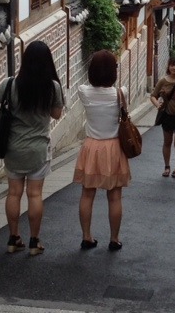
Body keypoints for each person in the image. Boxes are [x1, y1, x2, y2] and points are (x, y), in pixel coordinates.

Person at [0, 40, 64, 256]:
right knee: (35, 195)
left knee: (14, 193)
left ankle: (13, 238)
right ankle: (34, 241)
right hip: (38, 149)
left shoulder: (11, 84)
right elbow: (57, 114)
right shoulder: (52, 87)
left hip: (13, 148)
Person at [73, 50, 131, 252]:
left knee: (87, 194)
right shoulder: (120, 92)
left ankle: (86, 237)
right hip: (113, 146)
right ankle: (114, 239)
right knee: (115, 197)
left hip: (92, 146)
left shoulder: (84, 91)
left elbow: (83, 85)